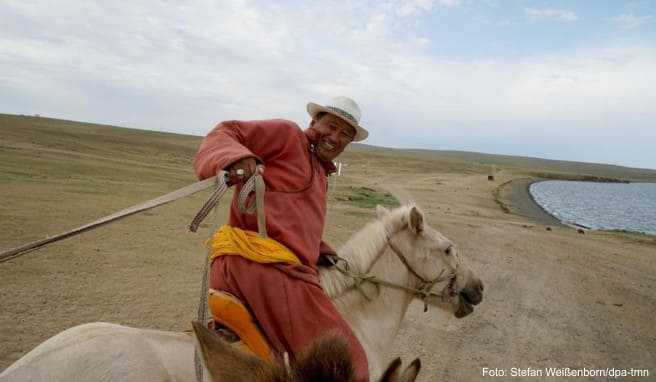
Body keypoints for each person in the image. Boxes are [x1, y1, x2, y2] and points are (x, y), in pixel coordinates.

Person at [193, 96, 370, 381]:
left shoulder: (321, 174)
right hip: (260, 266)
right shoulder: (288, 136)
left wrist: (318, 249)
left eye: (345, 134)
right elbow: (225, 132)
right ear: (314, 121)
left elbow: (293, 222)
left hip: (278, 268)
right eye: (331, 125)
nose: (335, 137)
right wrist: (235, 157)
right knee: (349, 360)